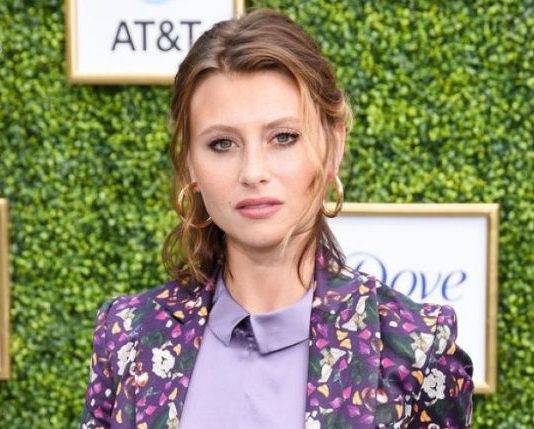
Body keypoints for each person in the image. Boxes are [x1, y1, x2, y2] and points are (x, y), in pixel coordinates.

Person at [79, 7, 473, 429]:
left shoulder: (414, 346)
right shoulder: (129, 334)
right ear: (190, 162)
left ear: (333, 145)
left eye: (283, 137)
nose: (253, 172)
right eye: (222, 143)